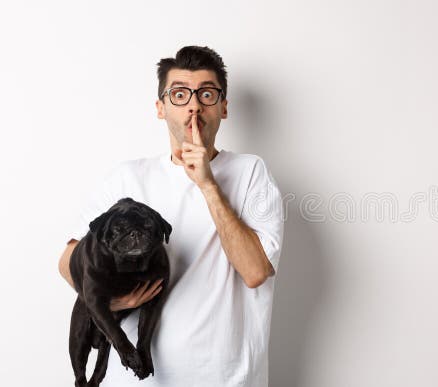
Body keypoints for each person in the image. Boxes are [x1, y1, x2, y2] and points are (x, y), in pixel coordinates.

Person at [57, 46, 285, 386]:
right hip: (135, 378)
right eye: (180, 94)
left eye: (206, 93)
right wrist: (112, 301)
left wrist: (208, 184)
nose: (194, 105)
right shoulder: (125, 178)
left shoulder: (250, 172)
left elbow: (254, 272)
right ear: (161, 108)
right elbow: (68, 261)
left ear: (223, 107)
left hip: (224, 378)